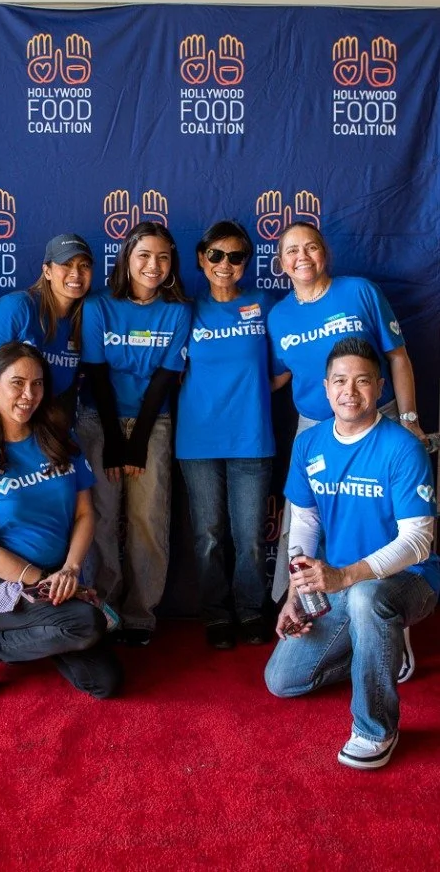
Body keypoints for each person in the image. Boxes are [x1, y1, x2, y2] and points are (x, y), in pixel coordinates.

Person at [265, 338, 438, 770]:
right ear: (325, 388)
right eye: (340, 381)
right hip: (341, 579)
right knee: (282, 681)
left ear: (380, 388)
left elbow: (419, 541)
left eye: (362, 381)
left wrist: (346, 578)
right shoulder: (310, 444)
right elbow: (304, 522)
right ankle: (385, 647)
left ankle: (375, 729)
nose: (350, 391)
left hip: (409, 580)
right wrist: (295, 594)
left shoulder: (403, 447)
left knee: (367, 597)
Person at [0, 342, 122, 700]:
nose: (29, 395)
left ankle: (38, 636)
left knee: (104, 683)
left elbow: (85, 513)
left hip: (58, 575)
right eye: (17, 383)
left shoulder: (61, 440)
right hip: (0, 582)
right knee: (84, 622)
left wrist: (72, 571)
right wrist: (47, 583)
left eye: (38, 384)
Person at [268, 221, 424, 602]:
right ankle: (300, 601)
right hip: (314, 428)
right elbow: (278, 376)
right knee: (304, 521)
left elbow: (397, 357)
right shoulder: (279, 317)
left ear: (326, 253)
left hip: (377, 419)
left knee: (376, 517)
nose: (302, 256)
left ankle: (383, 607)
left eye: (311, 247)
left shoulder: (359, 291)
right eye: (292, 250)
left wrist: (409, 420)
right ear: (281, 263)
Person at [78, 221, 191, 646]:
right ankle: (103, 609)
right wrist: (114, 441)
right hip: (98, 420)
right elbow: (97, 374)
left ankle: (140, 614)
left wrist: (137, 442)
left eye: (163, 257)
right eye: (144, 255)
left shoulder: (178, 310)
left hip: (152, 424)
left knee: (148, 520)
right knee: (102, 517)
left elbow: (165, 378)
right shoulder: (97, 306)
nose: (153, 265)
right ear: (126, 258)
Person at [176, 221, 274, 649]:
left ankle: (252, 609)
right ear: (201, 259)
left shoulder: (264, 304)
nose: (224, 263)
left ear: (246, 263)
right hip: (197, 440)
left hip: (251, 437)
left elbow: (287, 363)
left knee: (250, 534)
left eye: (235, 256)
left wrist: (253, 389)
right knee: (209, 534)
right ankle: (217, 614)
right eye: (216, 254)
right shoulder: (185, 309)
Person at [0, 233, 93, 454]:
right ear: (47, 271)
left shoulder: (87, 316)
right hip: (3, 426)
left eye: (84, 265)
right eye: (66, 264)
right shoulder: (19, 306)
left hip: (47, 428)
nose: (76, 273)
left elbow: (68, 388)